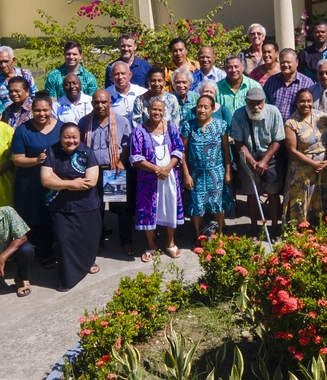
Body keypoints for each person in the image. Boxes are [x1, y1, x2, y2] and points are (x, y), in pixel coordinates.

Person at [41, 122, 103, 288]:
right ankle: (68, 277)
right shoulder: (51, 152)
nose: (71, 141)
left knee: (87, 238)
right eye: (66, 137)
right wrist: (72, 184)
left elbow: (91, 181)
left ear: (80, 137)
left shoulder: (87, 152)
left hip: (86, 204)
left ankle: (88, 262)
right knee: (63, 240)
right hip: (60, 206)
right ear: (60, 137)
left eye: (74, 137)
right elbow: (46, 180)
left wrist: (59, 182)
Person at [10, 94, 63, 267]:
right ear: (32, 110)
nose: (41, 113)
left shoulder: (61, 128)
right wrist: (37, 161)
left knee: (53, 217)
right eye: (37, 110)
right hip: (30, 183)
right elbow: (17, 159)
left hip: (55, 183)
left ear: (51, 109)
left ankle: (53, 252)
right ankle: (36, 254)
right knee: (33, 217)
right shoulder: (23, 130)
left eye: (45, 110)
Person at [80, 89, 134, 254]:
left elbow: (126, 145)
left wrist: (121, 161)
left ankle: (126, 241)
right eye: (97, 102)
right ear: (92, 104)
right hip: (93, 171)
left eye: (104, 102)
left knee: (121, 209)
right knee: (96, 209)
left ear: (110, 103)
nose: (100, 105)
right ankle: (98, 241)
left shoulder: (121, 121)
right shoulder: (84, 122)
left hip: (113, 170)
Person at [130, 98, 184, 259]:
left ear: (164, 111)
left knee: (170, 206)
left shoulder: (171, 127)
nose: (157, 113)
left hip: (169, 177)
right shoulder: (139, 130)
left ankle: (170, 242)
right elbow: (135, 157)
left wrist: (167, 169)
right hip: (148, 180)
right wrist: (156, 169)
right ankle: (151, 245)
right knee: (148, 210)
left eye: (160, 110)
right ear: (147, 110)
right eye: (154, 109)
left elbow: (179, 149)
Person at [231, 87, 286, 228]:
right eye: (252, 103)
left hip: (270, 159)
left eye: (259, 103)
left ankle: (274, 226)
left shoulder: (273, 112)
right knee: (251, 193)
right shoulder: (238, 114)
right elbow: (238, 141)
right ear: (246, 101)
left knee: (273, 193)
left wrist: (264, 161)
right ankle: (254, 227)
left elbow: (278, 140)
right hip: (248, 159)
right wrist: (252, 162)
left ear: (264, 101)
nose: (256, 107)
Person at [179, 93, 232, 239]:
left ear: (212, 109)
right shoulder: (188, 126)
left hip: (216, 172)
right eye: (199, 107)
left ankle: (220, 234)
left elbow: (226, 150)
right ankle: (198, 236)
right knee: (197, 205)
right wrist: (186, 174)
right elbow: (182, 152)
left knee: (217, 204)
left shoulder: (221, 125)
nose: (201, 110)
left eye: (205, 107)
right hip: (196, 174)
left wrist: (228, 171)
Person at [283, 89, 327, 227]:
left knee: (321, 198)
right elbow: (292, 151)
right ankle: (299, 232)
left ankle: (321, 230)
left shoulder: (322, 117)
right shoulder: (291, 123)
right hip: (302, 170)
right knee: (301, 201)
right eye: (302, 101)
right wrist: (313, 163)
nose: (306, 104)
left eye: (309, 101)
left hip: (323, 168)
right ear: (297, 103)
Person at [265, 48, 316, 120]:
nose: (285, 65)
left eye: (288, 62)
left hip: (297, 127)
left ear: (297, 62)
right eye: (282, 62)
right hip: (274, 127)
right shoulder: (271, 81)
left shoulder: (307, 83)